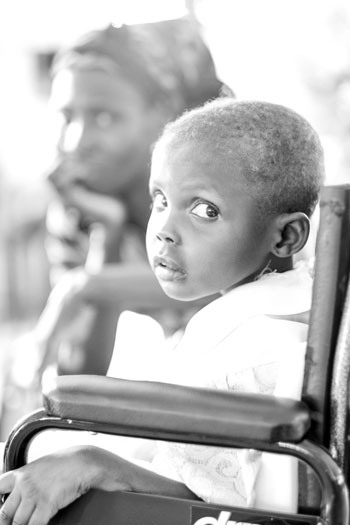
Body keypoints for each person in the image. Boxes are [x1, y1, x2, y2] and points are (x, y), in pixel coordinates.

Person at [0, 98, 324, 523]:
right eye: (160, 200)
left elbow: (240, 512)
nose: (165, 232)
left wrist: (94, 463)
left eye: (205, 210)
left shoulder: (262, 350)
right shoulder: (266, 312)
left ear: (285, 237)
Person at [38, 17, 223, 377]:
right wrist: (105, 232)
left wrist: (87, 287)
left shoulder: (216, 192)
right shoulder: (78, 208)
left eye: (105, 118)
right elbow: (78, 377)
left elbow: (221, 283)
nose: (77, 142)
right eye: (66, 116)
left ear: (164, 113)